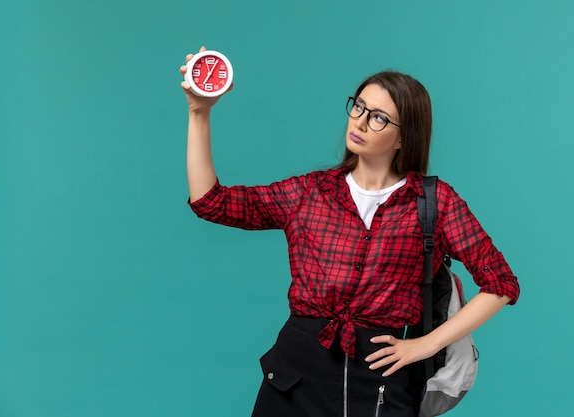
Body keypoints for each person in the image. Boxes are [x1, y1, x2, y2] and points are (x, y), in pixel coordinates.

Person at [179, 46, 520, 417]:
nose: (358, 122)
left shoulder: (434, 203)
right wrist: (200, 112)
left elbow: (501, 283)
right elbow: (211, 202)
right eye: (358, 107)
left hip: (378, 385)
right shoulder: (310, 192)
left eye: (378, 118)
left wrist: (424, 345)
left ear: (404, 137)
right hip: (294, 377)